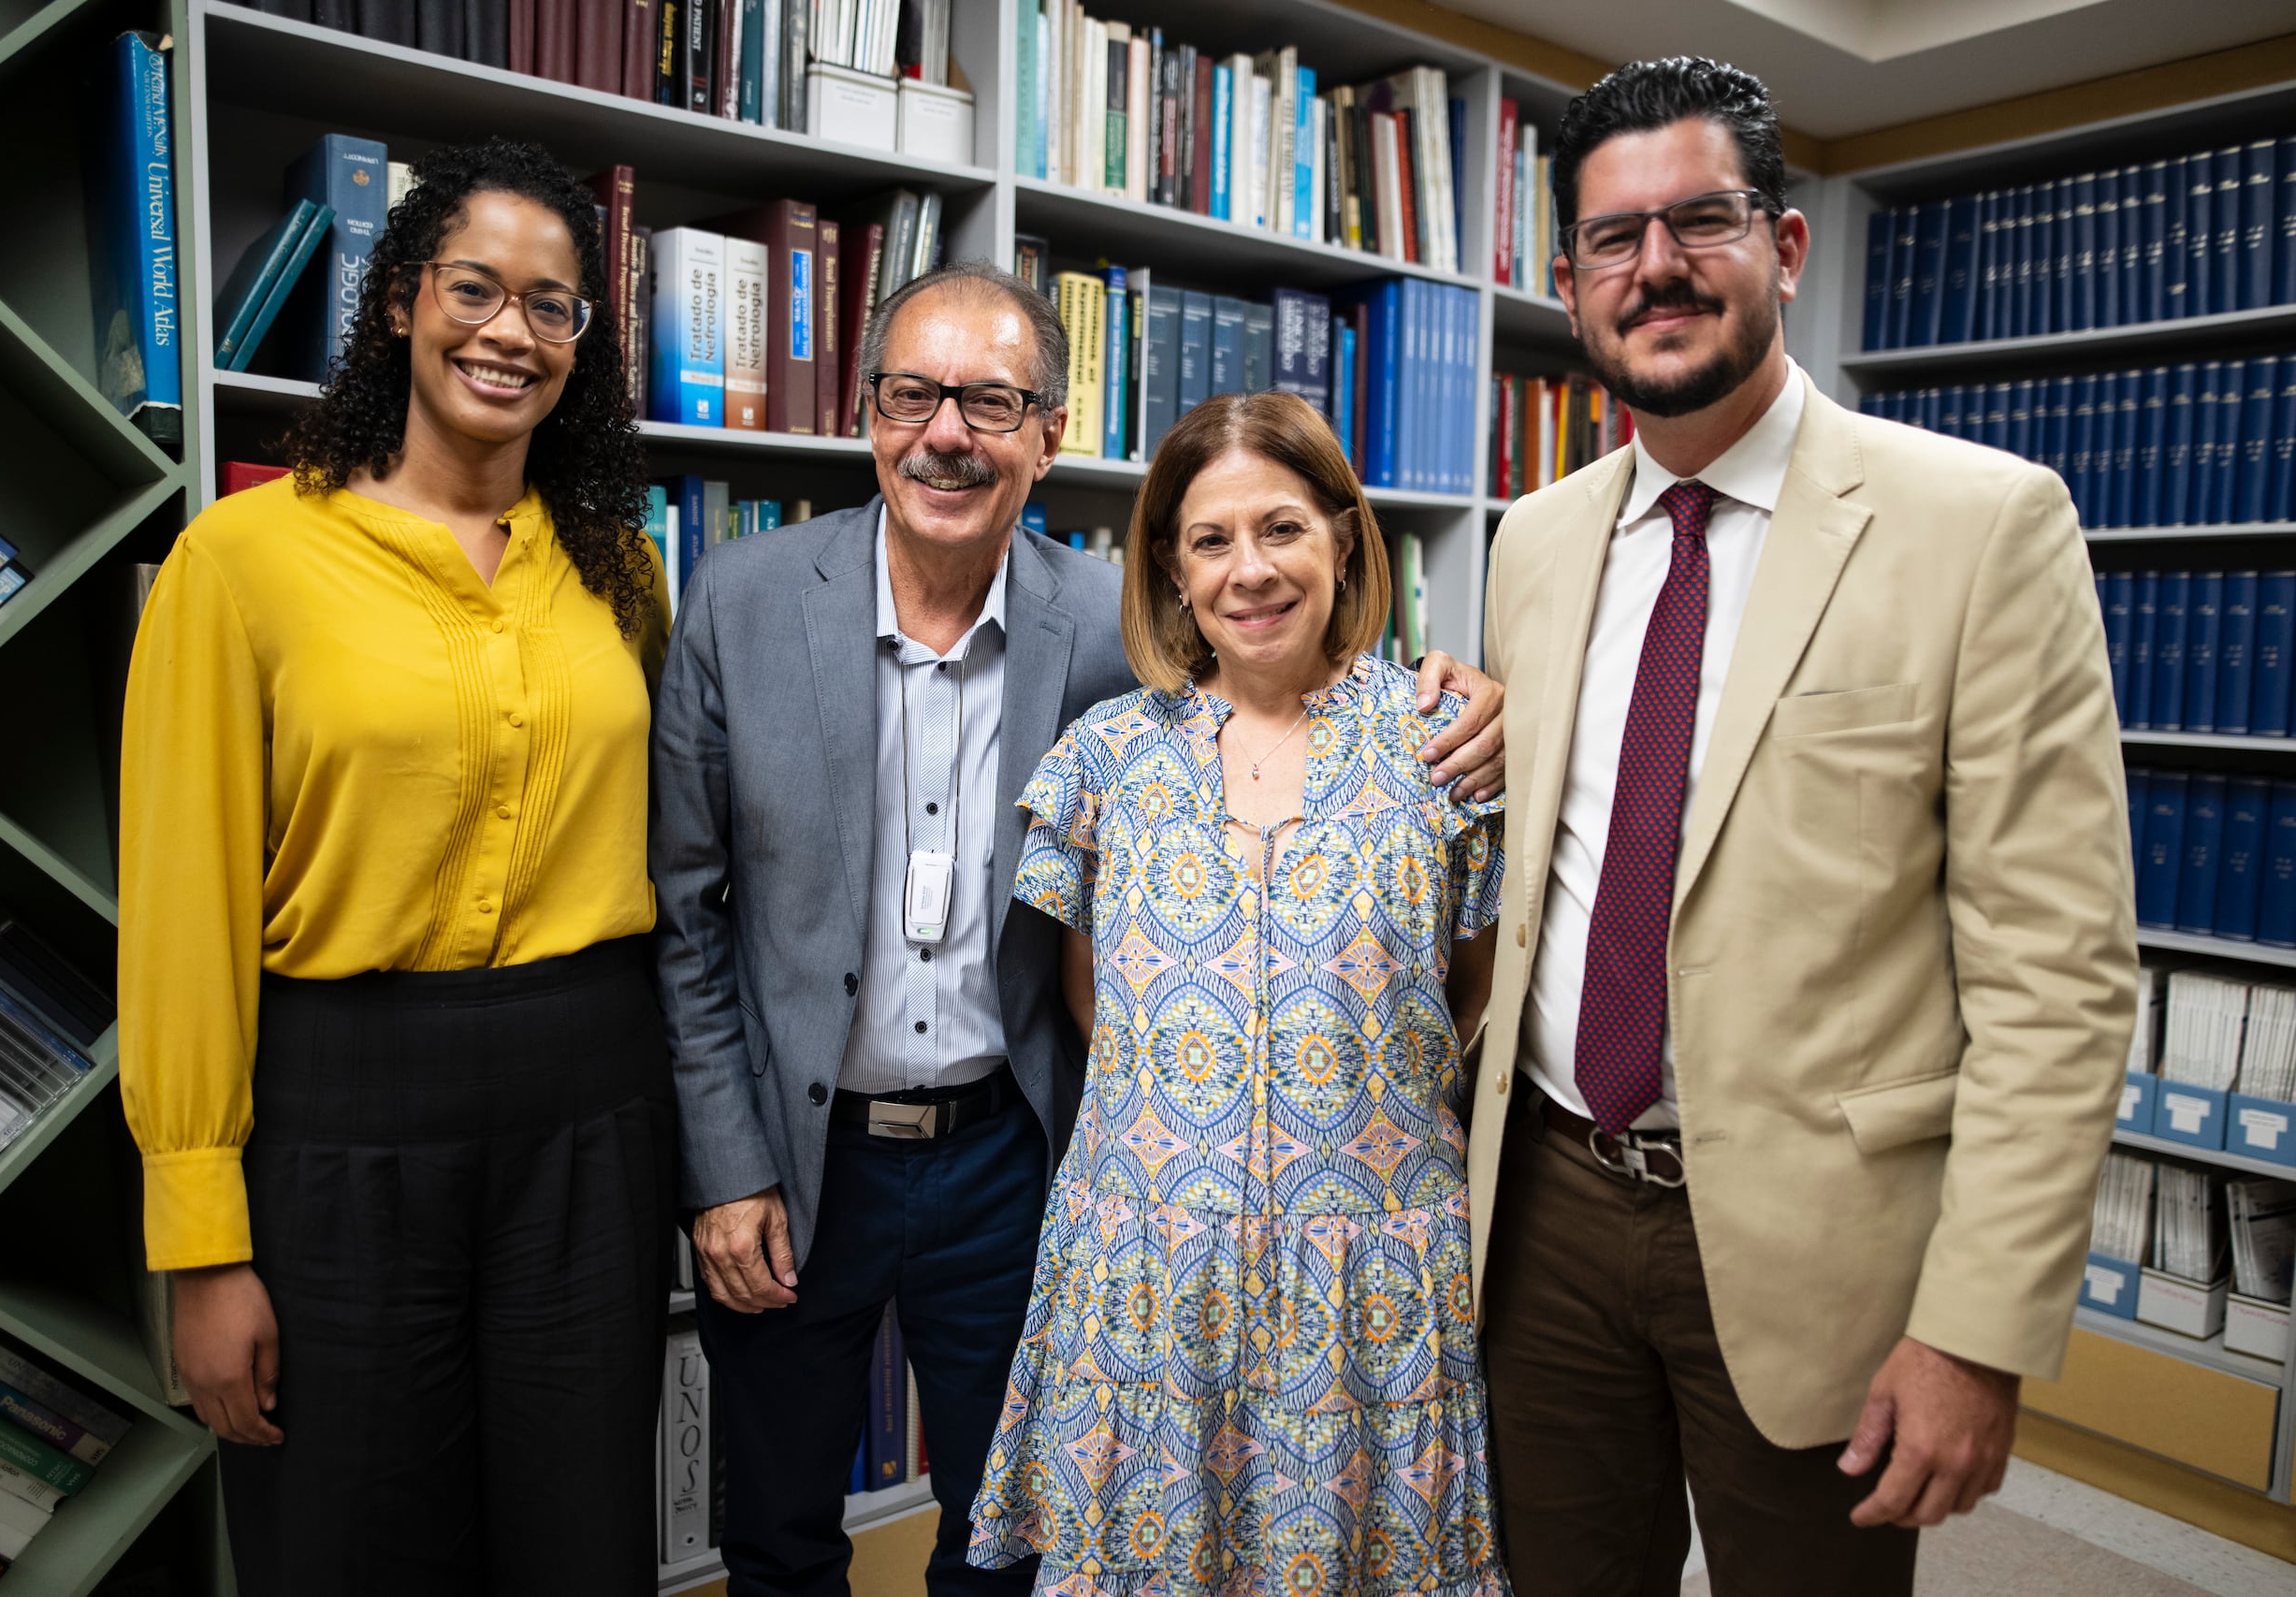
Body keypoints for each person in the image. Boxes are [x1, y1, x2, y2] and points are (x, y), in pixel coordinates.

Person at [651, 262, 1508, 1597]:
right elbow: (684, 911)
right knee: (774, 1533)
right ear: (867, 413)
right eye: (913, 393)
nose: (948, 431)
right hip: (796, 1157)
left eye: (991, 401)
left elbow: (1443, 972)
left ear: (1049, 434)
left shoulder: (1114, 655)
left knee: (1010, 1542)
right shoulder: (740, 601)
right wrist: (721, 1169)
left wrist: (1463, 689)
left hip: (1010, 1160)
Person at [1467, 56, 2137, 1597]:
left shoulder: (1984, 525)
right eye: (1612, 241)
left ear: (1784, 244)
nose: (1657, 270)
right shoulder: (1537, 540)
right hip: (1551, 1218)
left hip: (1816, 1243)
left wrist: (1976, 1327)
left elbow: (2062, 977)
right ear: (1569, 284)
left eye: (1699, 222)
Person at [119, 138, 675, 1595]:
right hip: (336, 1125)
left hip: (592, 1119)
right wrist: (202, 1249)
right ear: (397, 305)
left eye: (552, 306)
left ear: (581, 346)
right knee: (350, 1552)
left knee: (581, 1546)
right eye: (474, 289)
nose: (510, 331)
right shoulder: (238, 565)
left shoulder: (623, 572)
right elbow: (179, 918)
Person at [966, 390, 1510, 1597]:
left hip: (1370, 1278)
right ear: (1169, 566)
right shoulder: (1107, 754)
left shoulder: (1442, 745)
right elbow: (1092, 1003)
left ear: (1345, 538)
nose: (1249, 571)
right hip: (1153, 1265)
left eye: (1283, 529)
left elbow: (1467, 991)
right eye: (1211, 541)